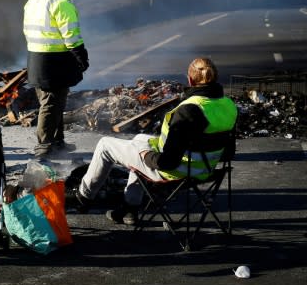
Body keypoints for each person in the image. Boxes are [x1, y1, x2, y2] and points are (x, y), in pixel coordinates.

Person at [69, 57, 237, 226]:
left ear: (190, 79)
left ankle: (83, 197)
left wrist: (146, 155)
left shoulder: (188, 110)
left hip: (175, 173)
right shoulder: (228, 105)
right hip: (206, 170)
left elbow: (167, 163)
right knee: (139, 139)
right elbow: (228, 152)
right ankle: (129, 208)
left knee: (105, 144)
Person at [23, 0, 89, 158]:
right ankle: (43, 147)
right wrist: (81, 57)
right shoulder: (61, 3)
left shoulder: (33, 0)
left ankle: (58, 142)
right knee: (51, 104)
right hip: (55, 61)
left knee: (55, 102)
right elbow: (71, 36)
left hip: (36, 58)